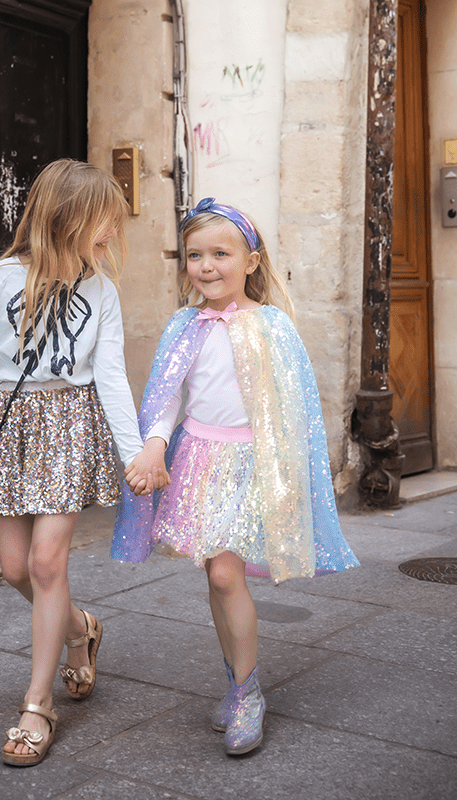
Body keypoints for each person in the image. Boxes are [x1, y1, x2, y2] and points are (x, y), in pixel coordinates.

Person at [0, 159, 166, 767]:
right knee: (13, 568)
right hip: (11, 425)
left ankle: (38, 704)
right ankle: (80, 629)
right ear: (67, 219)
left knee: (46, 562)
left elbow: (110, 376)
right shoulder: (2, 278)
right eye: (104, 221)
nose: (113, 233)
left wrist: (133, 452)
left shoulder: (101, 291)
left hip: (67, 425)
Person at [113, 196, 359, 756]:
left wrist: (289, 480)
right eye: (195, 255)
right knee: (214, 572)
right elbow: (167, 398)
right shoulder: (184, 325)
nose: (206, 266)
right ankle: (235, 680)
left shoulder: (272, 326)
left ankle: (248, 694)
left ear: (250, 261)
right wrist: (154, 447)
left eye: (220, 254)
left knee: (226, 574)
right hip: (199, 461)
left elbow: (293, 409)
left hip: (252, 463)